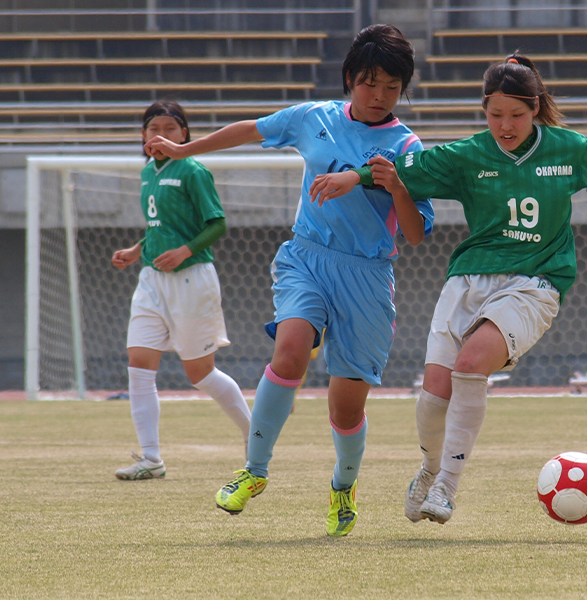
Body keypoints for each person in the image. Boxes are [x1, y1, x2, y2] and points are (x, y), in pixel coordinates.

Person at [309, 54, 587, 524]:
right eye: (495, 114)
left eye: (517, 115)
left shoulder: (572, 149)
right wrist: (353, 176)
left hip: (536, 281)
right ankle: (429, 468)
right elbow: (399, 167)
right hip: (469, 279)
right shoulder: (467, 155)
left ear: (537, 107)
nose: (505, 125)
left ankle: (446, 486)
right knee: (433, 397)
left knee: (470, 365)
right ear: (484, 109)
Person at [144, 24, 433, 537]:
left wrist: (396, 185)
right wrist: (186, 151)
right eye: (369, 83)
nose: (379, 95)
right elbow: (250, 129)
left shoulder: (408, 146)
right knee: (291, 350)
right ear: (349, 79)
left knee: (346, 409)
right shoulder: (314, 117)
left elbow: (414, 235)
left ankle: (343, 485)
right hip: (306, 258)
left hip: (367, 278)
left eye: (392, 86)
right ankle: (253, 471)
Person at [112, 100, 252, 480]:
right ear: (142, 136)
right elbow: (160, 224)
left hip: (192, 277)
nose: (160, 134)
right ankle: (151, 459)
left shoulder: (192, 169)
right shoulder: (148, 174)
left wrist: (186, 250)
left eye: (170, 128)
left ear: (185, 134)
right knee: (139, 364)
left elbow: (217, 224)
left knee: (200, 374)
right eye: (152, 127)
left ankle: (255, 436)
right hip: (151, 280)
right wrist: (137, 249)